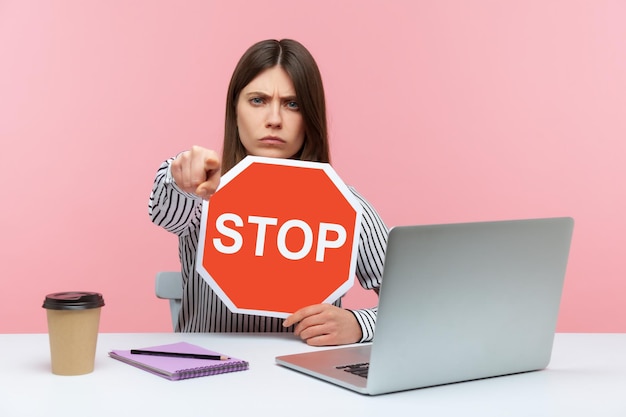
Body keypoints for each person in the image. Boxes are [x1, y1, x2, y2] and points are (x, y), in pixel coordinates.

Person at [149, 39, 388, 346]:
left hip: (306, 383)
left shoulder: (348, 206)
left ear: (310, 119)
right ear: (234, 111)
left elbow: (414, 303)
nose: (274, 119)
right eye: (258, 100)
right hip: (206, 381)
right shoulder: (204, 189)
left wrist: (359, 324)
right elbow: (165, 210)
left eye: (292, 104)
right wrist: (179, 175)